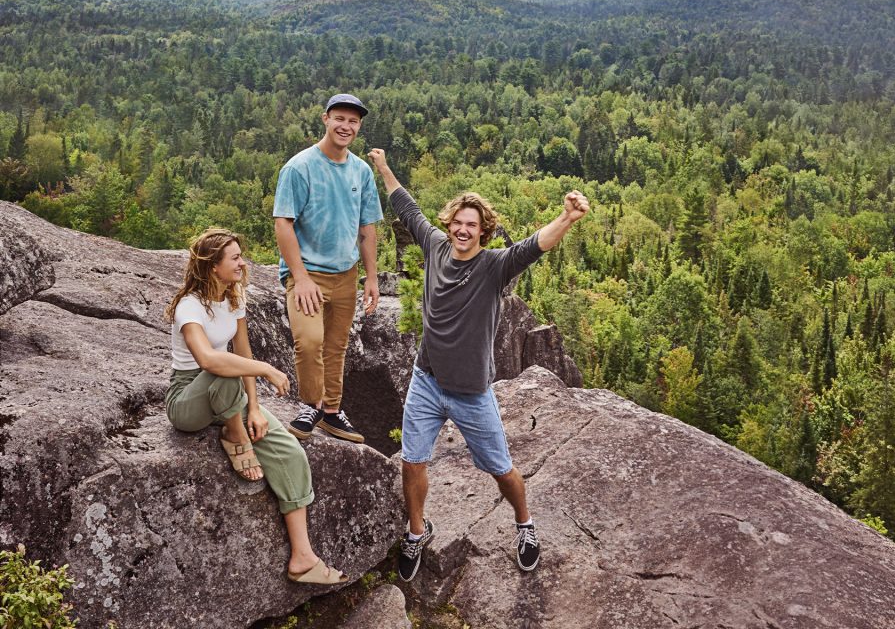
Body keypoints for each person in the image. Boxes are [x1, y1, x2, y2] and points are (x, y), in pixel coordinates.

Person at [367, 147, 590, 580]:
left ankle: (525, 525)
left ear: (483, 232)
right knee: (413, 461)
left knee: (501, 469)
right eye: (458, 223)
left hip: (471, 391)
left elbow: (532, 247)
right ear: (449, 224)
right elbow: (406, 205)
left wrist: (566, 219)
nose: (463, 230)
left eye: (473, 225)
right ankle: (418, 531)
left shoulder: (493, 266)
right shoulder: (434, 246)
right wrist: (383, 167)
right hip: (426, 380)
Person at [165, 228, 347, 585]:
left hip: (228, 396)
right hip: (189, 401)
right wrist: (265, 369)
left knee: (289, 451)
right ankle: (235, 437)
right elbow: (208, 361)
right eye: (234, 258)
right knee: (224, 367)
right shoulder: (189, 306)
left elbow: (242, 353)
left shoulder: (234, 299)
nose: (242, 263)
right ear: (213, 266)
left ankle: (302, 557)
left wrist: (255, 409)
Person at [273, 93, 383, 443]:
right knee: (309, 342)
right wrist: (300, 277)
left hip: (346, 274)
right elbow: (283, 223)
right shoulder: (300, 167)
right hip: (308, 274)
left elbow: (367, 229)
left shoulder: (361, 171)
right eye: (340, 119)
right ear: (325, 119)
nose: (345, 126)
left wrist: (372, 278)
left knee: (336, 347)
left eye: (353, 121)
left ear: (359, 126)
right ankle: (311, 405)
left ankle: (332, 412)